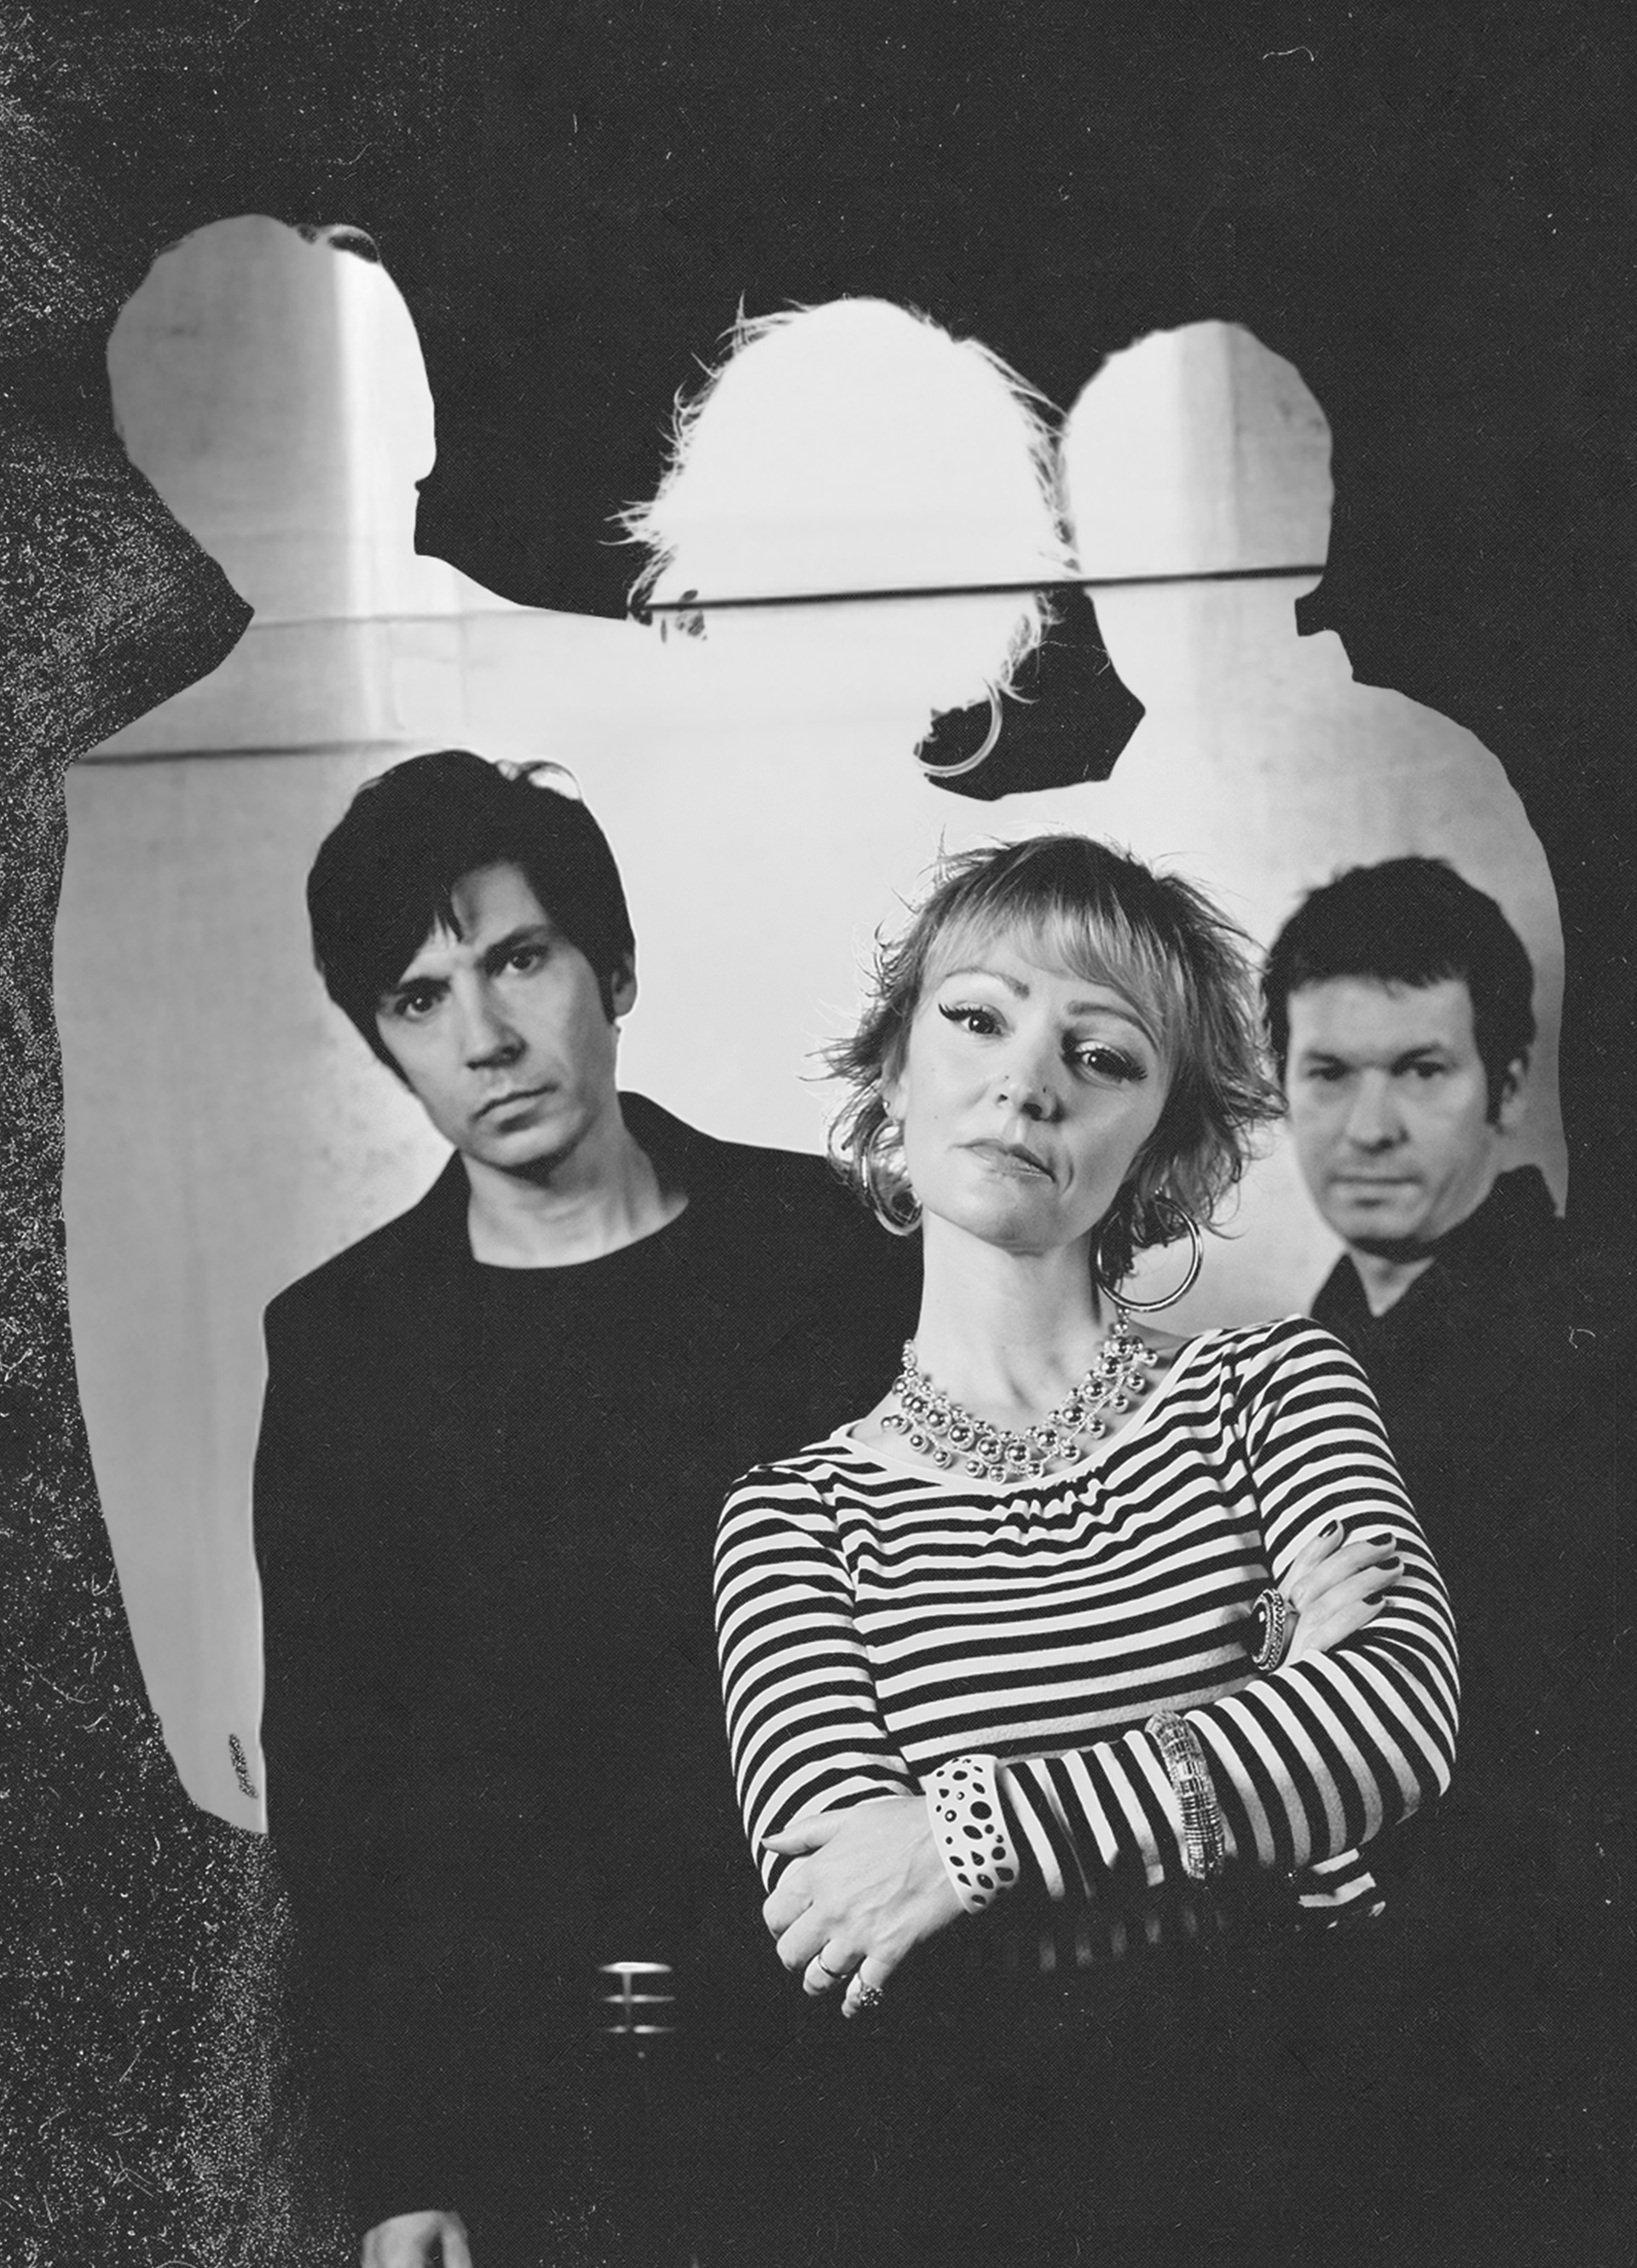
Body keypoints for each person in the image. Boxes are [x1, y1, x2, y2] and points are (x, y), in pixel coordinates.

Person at [714, 835, 1460, 2267]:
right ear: (893, 1071)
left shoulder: (1278, 1387)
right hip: (991, 2202)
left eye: (1102, 1056)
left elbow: (1391, 1726)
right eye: (977, 1018)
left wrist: (964, 1838)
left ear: (1163, 1145)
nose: (1028, 1082)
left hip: (1323, 2172)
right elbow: (848, 1925)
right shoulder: (792, 1518)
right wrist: (1268, 1733)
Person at [252, 749, 920, 2267]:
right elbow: (337, 1790)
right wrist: (399, 2161)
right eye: (418, 999)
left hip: (863, 2054)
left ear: (612, 970)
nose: (484, 1038)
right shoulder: (347, 1348)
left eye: (518, 959)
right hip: (530, 2114)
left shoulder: (840, 1250)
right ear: (382, 1043)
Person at [1264, 856, 1628, 2231]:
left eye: (1421, 1070)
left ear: (1509, 1085)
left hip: (1531, 2049)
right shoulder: (1311, 1354)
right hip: (1363, 2031)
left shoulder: (1590, 1351)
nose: (1369, 1128)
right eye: (1327, 1074)